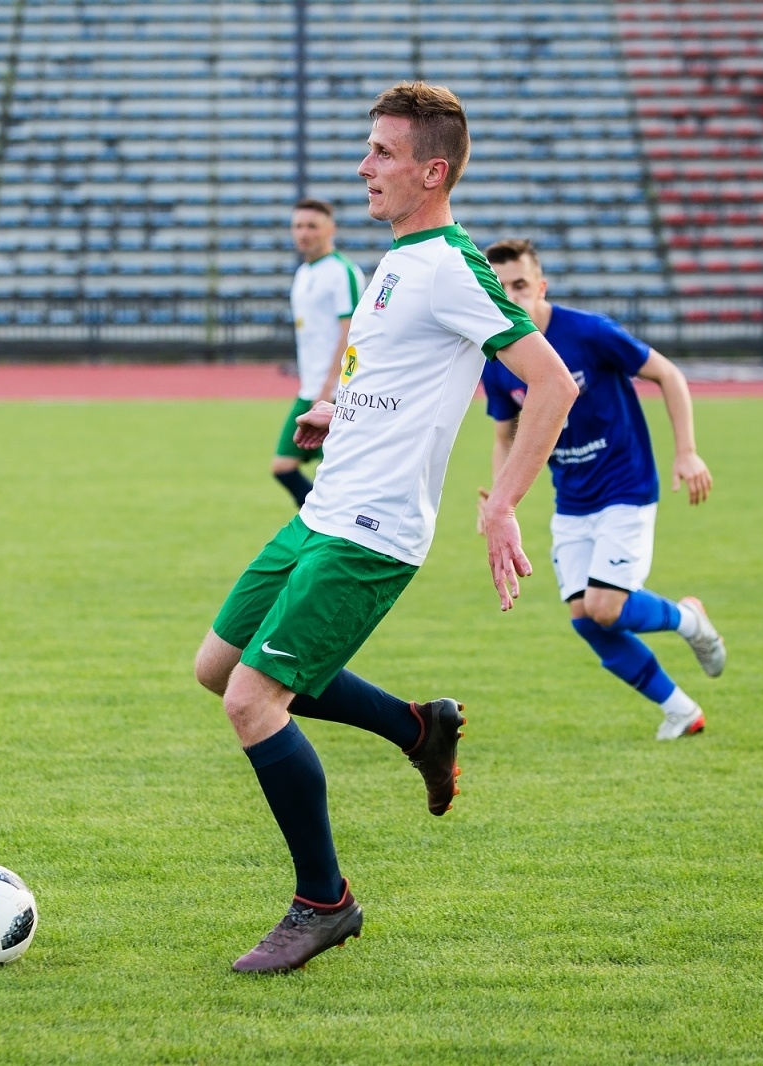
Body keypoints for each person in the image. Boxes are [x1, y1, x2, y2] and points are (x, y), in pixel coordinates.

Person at [192, 82, 577, 974]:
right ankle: (417, 729)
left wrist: (502, 504)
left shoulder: (451, 266)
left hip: (372, 530)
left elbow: (554, 385)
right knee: (218, 669)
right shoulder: (399, 259)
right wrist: (339, 412)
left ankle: (324, 902)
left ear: (431, 172)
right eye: (369, 148)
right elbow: (401, 376)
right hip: (324, 508)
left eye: (383, 153)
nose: (364, 166)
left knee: (253, 702)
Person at [475, 240, 726, 741]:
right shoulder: (499, 357)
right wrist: (501, 500)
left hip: (626, 485)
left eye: (520, 285)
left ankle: (688, 619)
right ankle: (681, 710)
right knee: (586, 619)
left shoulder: (588, 332)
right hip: (572, 499)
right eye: (499, 287)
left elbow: (668, 374)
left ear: (541, 287)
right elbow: (505, 434)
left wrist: (687, 451)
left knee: (605, 606)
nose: (511, 295)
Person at [273, 199, 367, 506]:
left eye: (312, 226)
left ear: (331, 229)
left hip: (336, 393)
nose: (304, 233)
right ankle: (322, 517)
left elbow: (350, 332)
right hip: (311, 388)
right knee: (283, 466)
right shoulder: (304, 272)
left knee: (344, 479)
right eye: (298, 226)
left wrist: (329, 386)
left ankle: (335, 522)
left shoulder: (342, 271)